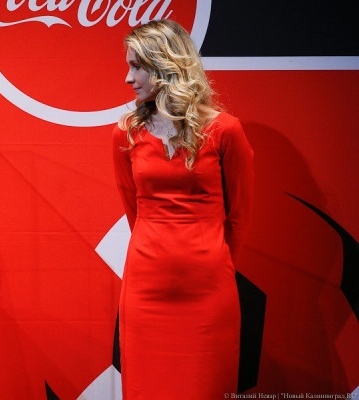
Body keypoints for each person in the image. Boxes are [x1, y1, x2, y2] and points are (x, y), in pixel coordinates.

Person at [112, 19, 254, 399]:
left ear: (165, 66)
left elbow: (239, 216)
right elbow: (134, 210)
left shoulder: (225, 131)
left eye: (137, 66)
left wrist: (213, 266)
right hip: (146, 289)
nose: (128, 78)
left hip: (208, 291)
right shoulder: (125, 133)